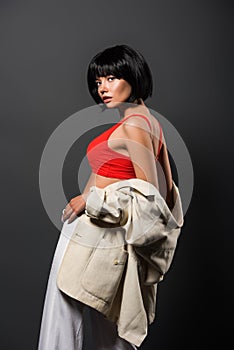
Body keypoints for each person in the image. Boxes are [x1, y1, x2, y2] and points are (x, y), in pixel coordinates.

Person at [38, 44, 182, 349]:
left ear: (133, 76)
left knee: (65, 313)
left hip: (102, 229)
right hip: (100, 229)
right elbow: (167, 193)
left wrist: (90, 201)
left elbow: (152, 198)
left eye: (112, 78)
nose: (103, 88)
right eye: (98, 81)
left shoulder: (135, 124)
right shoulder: (146, 121)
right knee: (108, 321)